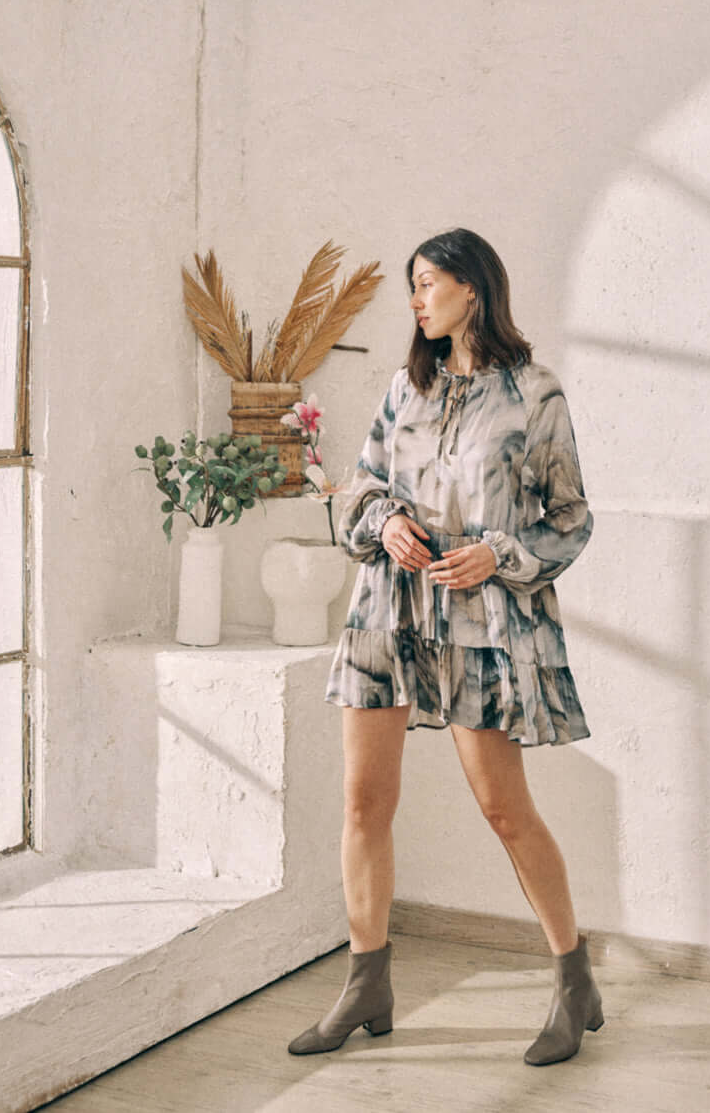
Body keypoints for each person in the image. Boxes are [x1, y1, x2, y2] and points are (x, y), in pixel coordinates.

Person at [287, 227, 601, 1067]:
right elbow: (361, 484)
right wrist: (384, 520)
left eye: (428, 283)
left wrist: (499, 554)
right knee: (363, 802)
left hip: (478, 620)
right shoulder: (406, 387)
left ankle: (574, 978)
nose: (418, 299)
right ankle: (367, 981)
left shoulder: (534, 393)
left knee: (503, 807)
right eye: (413, 287)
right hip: (387, 612)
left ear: (474, 287)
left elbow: (570, 519)